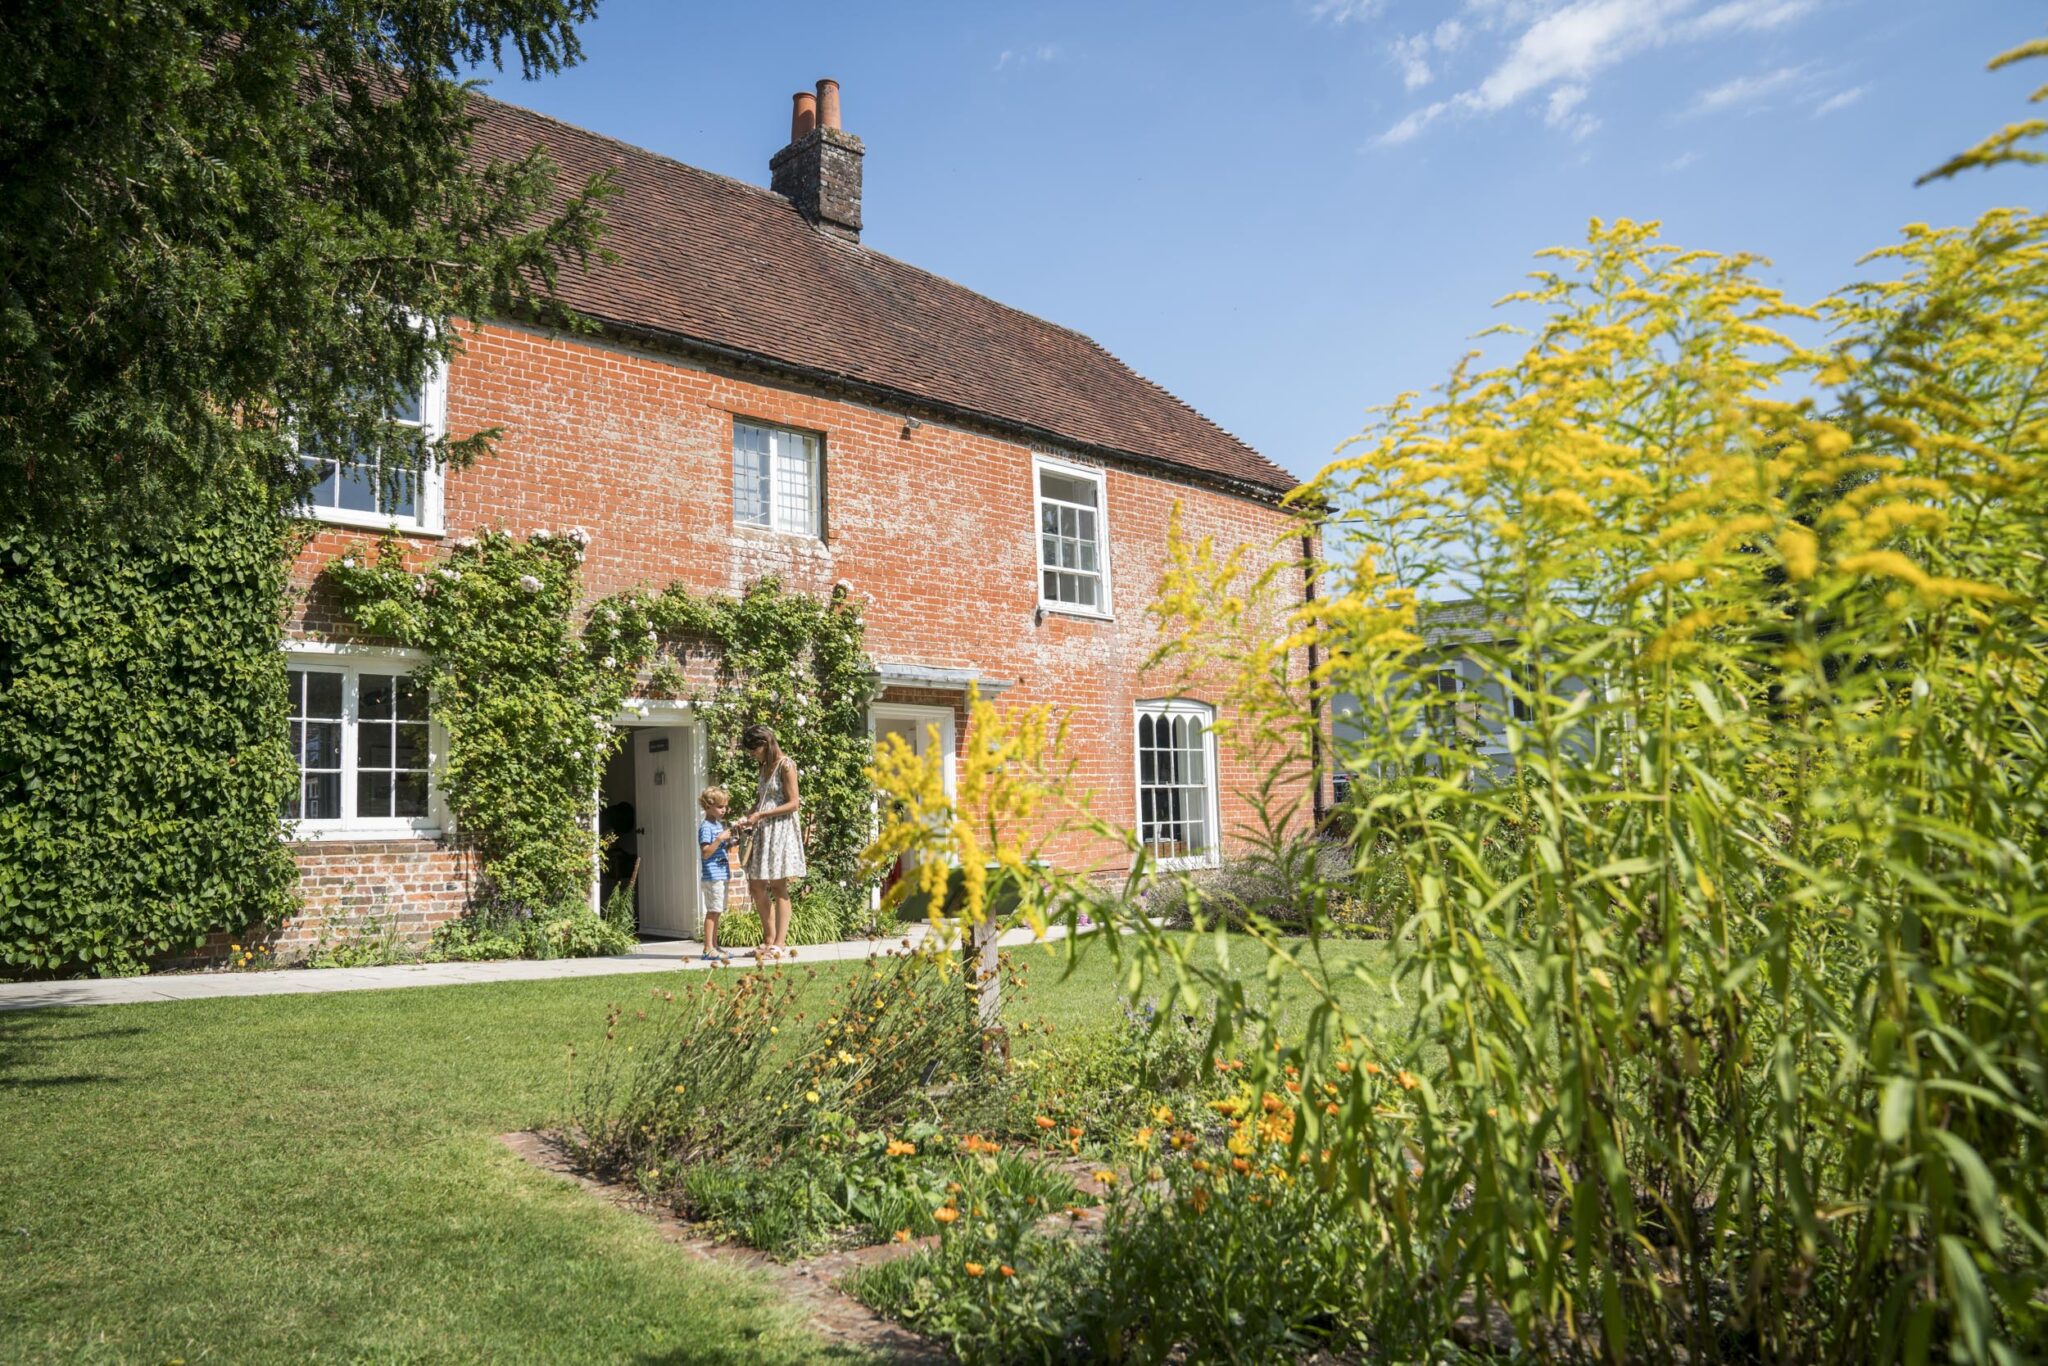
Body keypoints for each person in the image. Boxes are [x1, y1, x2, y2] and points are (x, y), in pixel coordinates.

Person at [737, 722, 805, 958]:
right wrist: (749, 817)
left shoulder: (786, 765)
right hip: (763, 831)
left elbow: (794, 803)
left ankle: (779, 942)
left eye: (754, 749)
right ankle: (767, 940)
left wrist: (762, 814)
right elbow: (762, 800)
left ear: (765, 744)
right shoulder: (763, 767)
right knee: (756, 885)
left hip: (780, 830)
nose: (752, 754)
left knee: (778, 885)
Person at [695, 786, 739, 963]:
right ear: (708, 807)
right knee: (712, 912)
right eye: (720, 807)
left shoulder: (717, 825)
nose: (724, 810)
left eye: (725, 806)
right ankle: (707, 948)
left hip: (721, 874)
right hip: (712, 876)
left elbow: (718, 849)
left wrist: (729, 843)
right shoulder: (706, 827)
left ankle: (714, 945)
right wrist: (720, 839)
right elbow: (705, 852)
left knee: (718, 911)